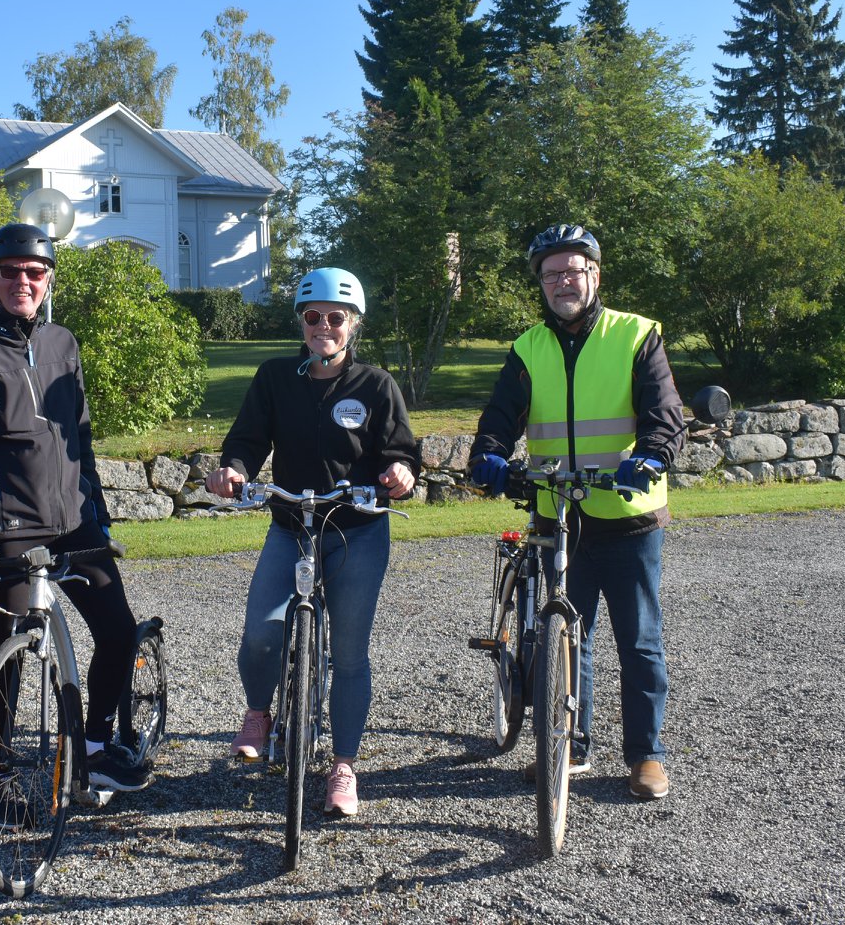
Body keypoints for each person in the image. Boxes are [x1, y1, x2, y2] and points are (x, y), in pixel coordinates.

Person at [0, 222, 152, 800]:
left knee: (118, 631)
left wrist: (95, 508)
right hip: (8, 532)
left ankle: (95, 749)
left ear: (49, 279)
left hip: (74, 524)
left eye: (34, 272)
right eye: (10, 272)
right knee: (8, 646)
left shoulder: (61, 343)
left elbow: (79, 435)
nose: (22, 282)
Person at [468, 224, 685, 800]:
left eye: (574, 270)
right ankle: (570, 745)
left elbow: (665, 412)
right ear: (540, 283)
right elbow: (501, 414)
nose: (564, 281)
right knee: (561, 637)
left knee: (638, 640)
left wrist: (652, 455)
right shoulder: (528, 347)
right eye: (552, 274)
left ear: (594, 275)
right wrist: (488, 453)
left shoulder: (636, 336)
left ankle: (646, 754)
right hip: (556, 513)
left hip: (627, 513)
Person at [204, 267, 418, 818]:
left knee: (348, 652)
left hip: (357, 530)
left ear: (353, 325)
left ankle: (343, 766)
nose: (324, 325)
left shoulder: (376, 385)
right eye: (312, 317)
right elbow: (247, 440)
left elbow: (402, 451)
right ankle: (259, 711)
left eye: (335, 318)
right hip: (291, 523)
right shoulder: (276, 377)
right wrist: (232, 470)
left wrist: (399, 472)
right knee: (259, 633)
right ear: (301, 323)